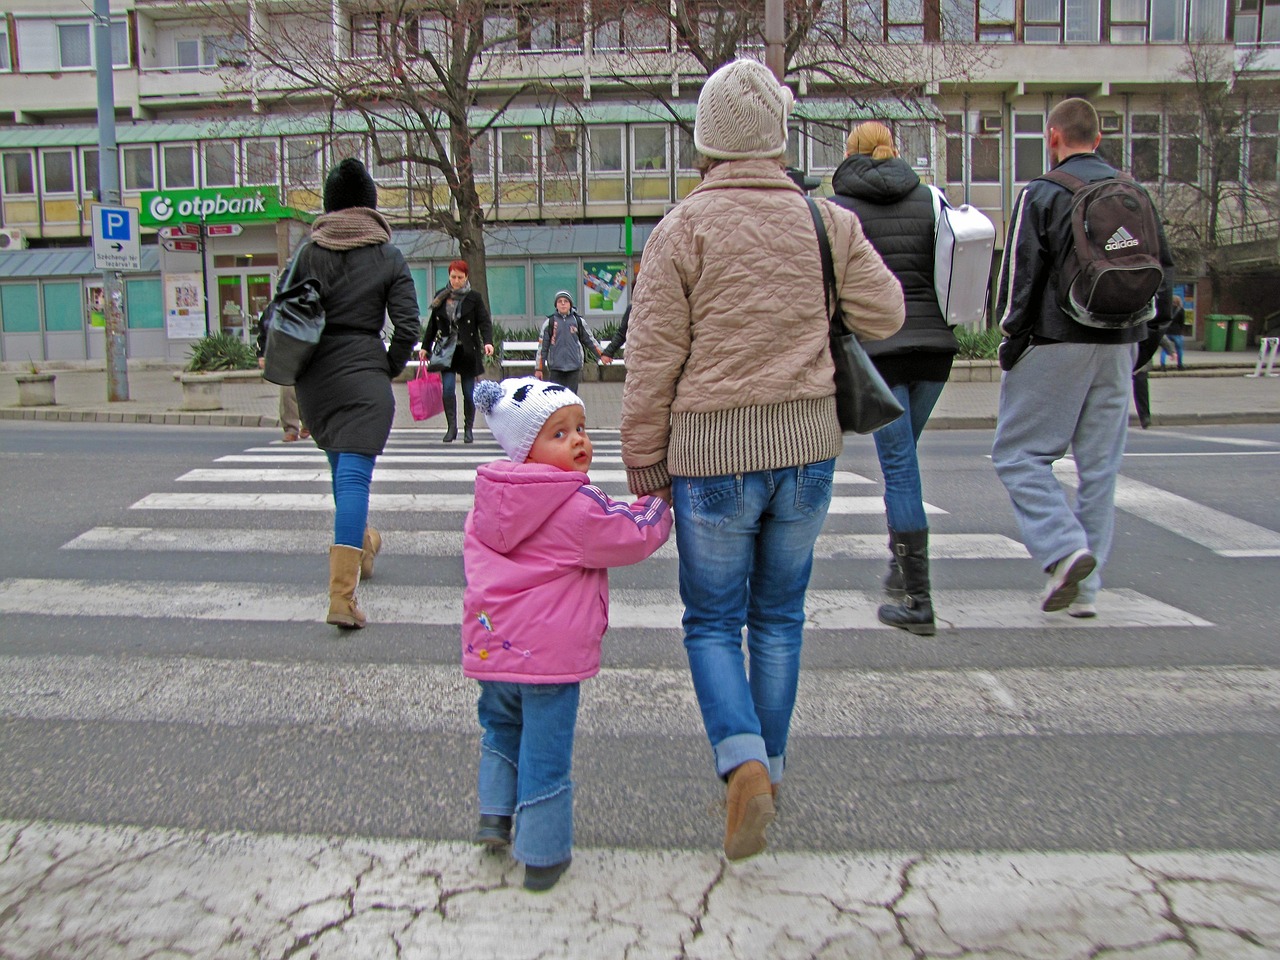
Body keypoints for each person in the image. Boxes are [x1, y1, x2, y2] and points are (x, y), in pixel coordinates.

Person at [620, 59, 904, 861]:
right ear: (779, 137)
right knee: (779, 618)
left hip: (711, 459)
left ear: (706, 141)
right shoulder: (827, 222)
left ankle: (739, 759)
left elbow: (652, 364)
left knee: (712, 620)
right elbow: (886, 316)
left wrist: (645, 464)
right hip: (808, 451)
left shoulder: (681, 229)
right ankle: (768, 772)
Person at [463, 377, 672, 891]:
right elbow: (633, 533)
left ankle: (494, 814)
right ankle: (542, 852)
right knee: (547, 750)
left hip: (493, 648)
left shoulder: (488, 503)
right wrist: (660, 502)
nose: (579, 439)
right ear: (525, 448)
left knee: (501, 730)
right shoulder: (575, 506)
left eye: (579, 427)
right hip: (550, 659)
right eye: (560, 433)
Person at [992, 98, 1172, 619]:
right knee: (1099, 469)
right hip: (1121, 343)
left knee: (1019, 456)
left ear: (1053, 137)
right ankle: (1084, 595)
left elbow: (1020, 278)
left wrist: (1011, 341)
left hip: (1055, 340)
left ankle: (1064, 549)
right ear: (1097, 138)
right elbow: (1164, 272)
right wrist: (1144, 344)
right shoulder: (1134, 194)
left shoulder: (1043, 193)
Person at [827, 120, 959, 637]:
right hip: (935, 354)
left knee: (901, 472)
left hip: (882, 354)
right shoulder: (931, 199)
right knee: (903, 463)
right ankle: (899, 565)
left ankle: (917, 599)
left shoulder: (841, 209)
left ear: (851, 153)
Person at [293, 158, 421, 629]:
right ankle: (341, 599)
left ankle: (363, 548)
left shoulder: (308, 254)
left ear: (329, 204)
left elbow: (286, 314)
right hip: (364, 375)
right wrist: (384, 366)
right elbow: (408, 325)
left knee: (340, 474)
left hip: (317, 382)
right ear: (369, 204)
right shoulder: (387, 255)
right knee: (354, 481)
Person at [418, 259, 494, 444]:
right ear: (449, 276)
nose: (456, 281)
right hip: (447, 349)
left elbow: (484, 322)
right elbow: (433, 325)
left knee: (469, 392)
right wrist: (425, 347)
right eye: (453, 277)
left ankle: (469, 428)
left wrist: (488, 342)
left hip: (468, 349)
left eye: (460, 277)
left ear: (466, 277)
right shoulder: (441, 296)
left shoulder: (474, 297)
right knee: (448, 388)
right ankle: (451, 427)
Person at [255, 290, 310, 443]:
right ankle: (291, 429)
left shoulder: (309, 304)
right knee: (288, 391)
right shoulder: (274, 308)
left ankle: (309, 423)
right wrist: (262, 354)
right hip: (285, 354)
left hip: (308, 353)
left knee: (307, 390)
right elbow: (264, 333)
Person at [535, 290, 605, 393]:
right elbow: (542, 348)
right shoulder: (549, 323)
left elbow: (590, 340)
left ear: (570, 304)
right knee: (556, 398)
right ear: (556, 305)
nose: (563, 304)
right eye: (560, 301)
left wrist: (602, 354)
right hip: (556, 367)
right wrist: (539, 369)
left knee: (571, 397)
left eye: (566, 301)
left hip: (573, 366)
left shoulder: (578, 321)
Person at [1160, 294, 1186, 371]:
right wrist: (1181, 329)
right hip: (1177, 332)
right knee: (1179, 349)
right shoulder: (1181, 310)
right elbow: (1182, 322)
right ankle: (1180, 365)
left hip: (1167, 331)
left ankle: (1163, 365)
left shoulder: (1167, 310)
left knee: (1165, 348)